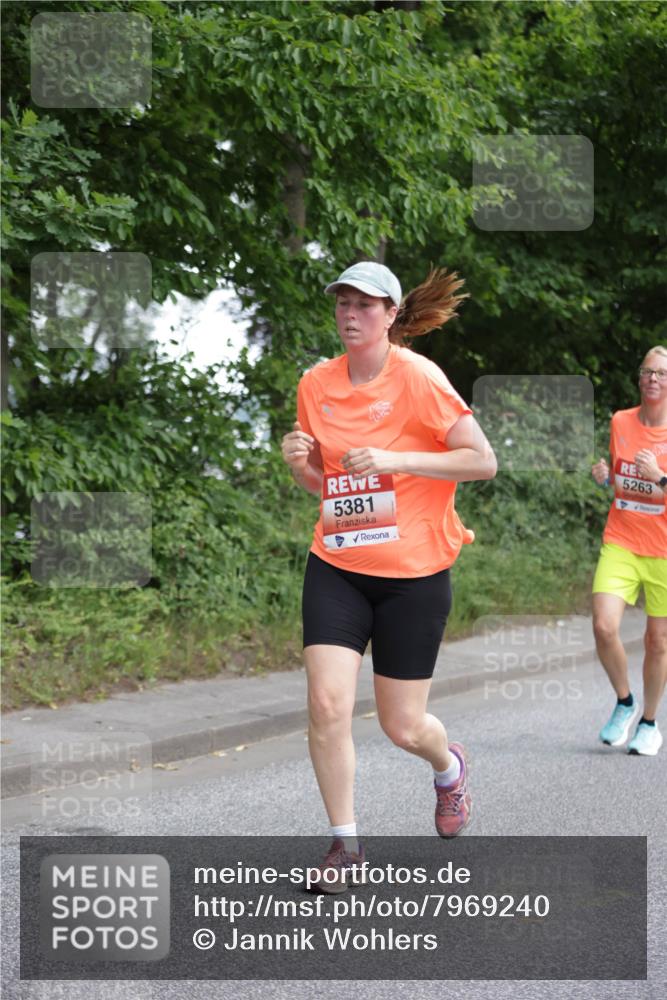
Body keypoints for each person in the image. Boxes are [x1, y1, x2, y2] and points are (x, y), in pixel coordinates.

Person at [281, 261, 497, 893]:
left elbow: (482, 462)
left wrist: (396, 457)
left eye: (366, 305)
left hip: (414, 573)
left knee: (403, 727)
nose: (351, 315)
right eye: (343, 303)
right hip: (339, 564)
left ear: (392, 315)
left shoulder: (419, 377)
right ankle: (346, 846)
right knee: (326, 706)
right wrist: (300, 467)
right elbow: (327, 487)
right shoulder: (316, 384)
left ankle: (448, 766)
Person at [591, 346, 667, 756]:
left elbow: (655, 483)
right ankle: (624, 701)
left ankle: (650, 723)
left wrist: (662, 478)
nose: (653, 378)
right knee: (604, 626)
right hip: (622, 539)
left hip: (665, 552)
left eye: (661, 373)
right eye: (647, 372)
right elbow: (621, 480)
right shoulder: (620, 421)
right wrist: (605, 477)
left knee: (658, 642)